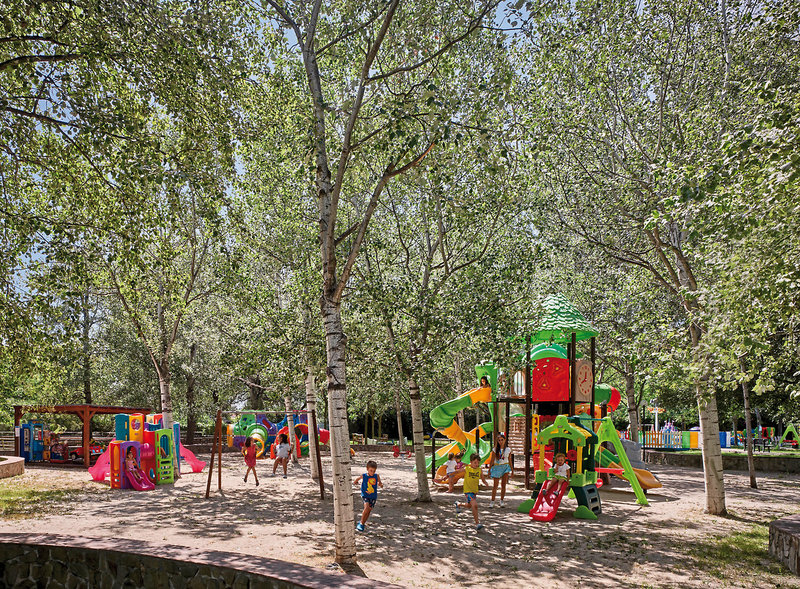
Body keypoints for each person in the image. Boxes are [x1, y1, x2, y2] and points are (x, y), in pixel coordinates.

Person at [454, 453, 489, 531]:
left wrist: (485, 483)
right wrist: (447, 475)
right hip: (468, 490)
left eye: (478, 463)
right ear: (471, 462)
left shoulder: (479, 470)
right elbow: (457, 472)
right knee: (475, 505)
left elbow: (483, 478)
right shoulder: (467, 468)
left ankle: (459, 504)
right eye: (475, 462)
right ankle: (477, 523)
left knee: (470, 505)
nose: (477, 464)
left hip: (474, 491)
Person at [353, 460, 383, 532]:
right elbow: (357, 479)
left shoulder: (376, 476)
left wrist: (380, 484)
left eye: (374, 471)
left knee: (369, 510)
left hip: (373, 496)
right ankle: (361, 523)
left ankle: (363, 523)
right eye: (371, 470)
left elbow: (380, 483)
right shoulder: (364, 476)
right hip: (365, 495)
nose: (372, 472)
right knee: (366, 507)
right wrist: (355, 482)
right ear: (367, 469)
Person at [488, 433, 512, 507]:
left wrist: (512, 470)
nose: (501, 441)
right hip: (497, 467)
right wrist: (489, 469)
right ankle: (492, 501)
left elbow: (510, 460)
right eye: (499, 440)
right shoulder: (495, 450)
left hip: (505, 467)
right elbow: (492, 460)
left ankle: (501, 501)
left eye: (502, 440)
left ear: (505, 440)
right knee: (495, 485)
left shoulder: (508, 449)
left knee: (503, 485)